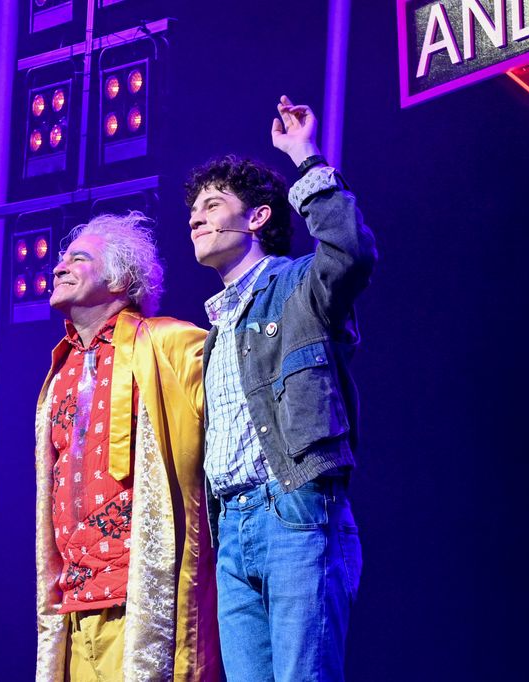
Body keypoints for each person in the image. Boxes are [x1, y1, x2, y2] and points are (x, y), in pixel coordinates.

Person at [185, 95, 377, 681]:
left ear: (258, 218)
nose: (195, 217)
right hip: (233, 529)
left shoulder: (297, 287)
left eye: (212, 205)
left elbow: (350, 252)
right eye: (192, 210)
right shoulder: (214, 332)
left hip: (293, 510)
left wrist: (305, 155)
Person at [33, 212, 220, 681]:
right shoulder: (59, 373)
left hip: (137, 597)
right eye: (60, 259)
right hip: (74, 605)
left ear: (119, 278)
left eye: (78, 258)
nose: (58, 268)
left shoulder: (170, 342)